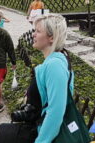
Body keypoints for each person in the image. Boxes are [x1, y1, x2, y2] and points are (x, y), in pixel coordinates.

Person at [32, 14, 72, 143]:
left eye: (38, 31)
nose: (33, 34)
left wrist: (41, 141)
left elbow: (55, 111)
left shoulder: (54, 65)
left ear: (52, 37)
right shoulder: (53, 62)